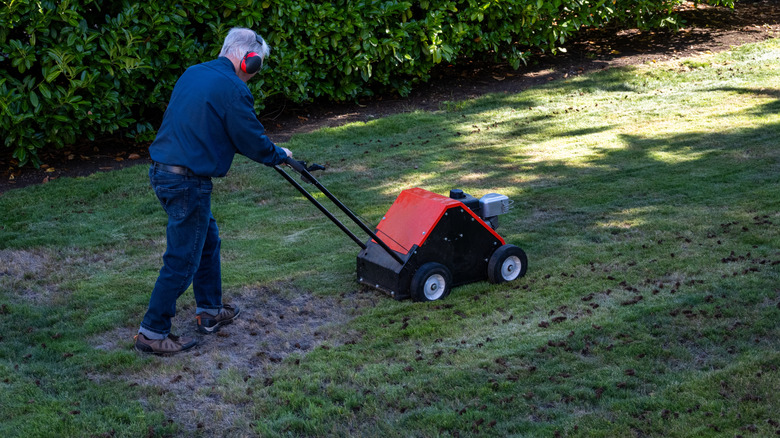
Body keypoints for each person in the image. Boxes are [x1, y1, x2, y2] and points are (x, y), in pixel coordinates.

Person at [134, 27, 292, 355]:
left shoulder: (194, 73)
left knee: (207, 240)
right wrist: (280, 155)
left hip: (163, 173)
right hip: (187, 182)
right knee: (183, 258)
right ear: (248, 60)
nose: (255, 72)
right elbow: (250, 138)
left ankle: (210, 310)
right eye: (257, 64)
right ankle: (152, 330)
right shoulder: (233, 87)